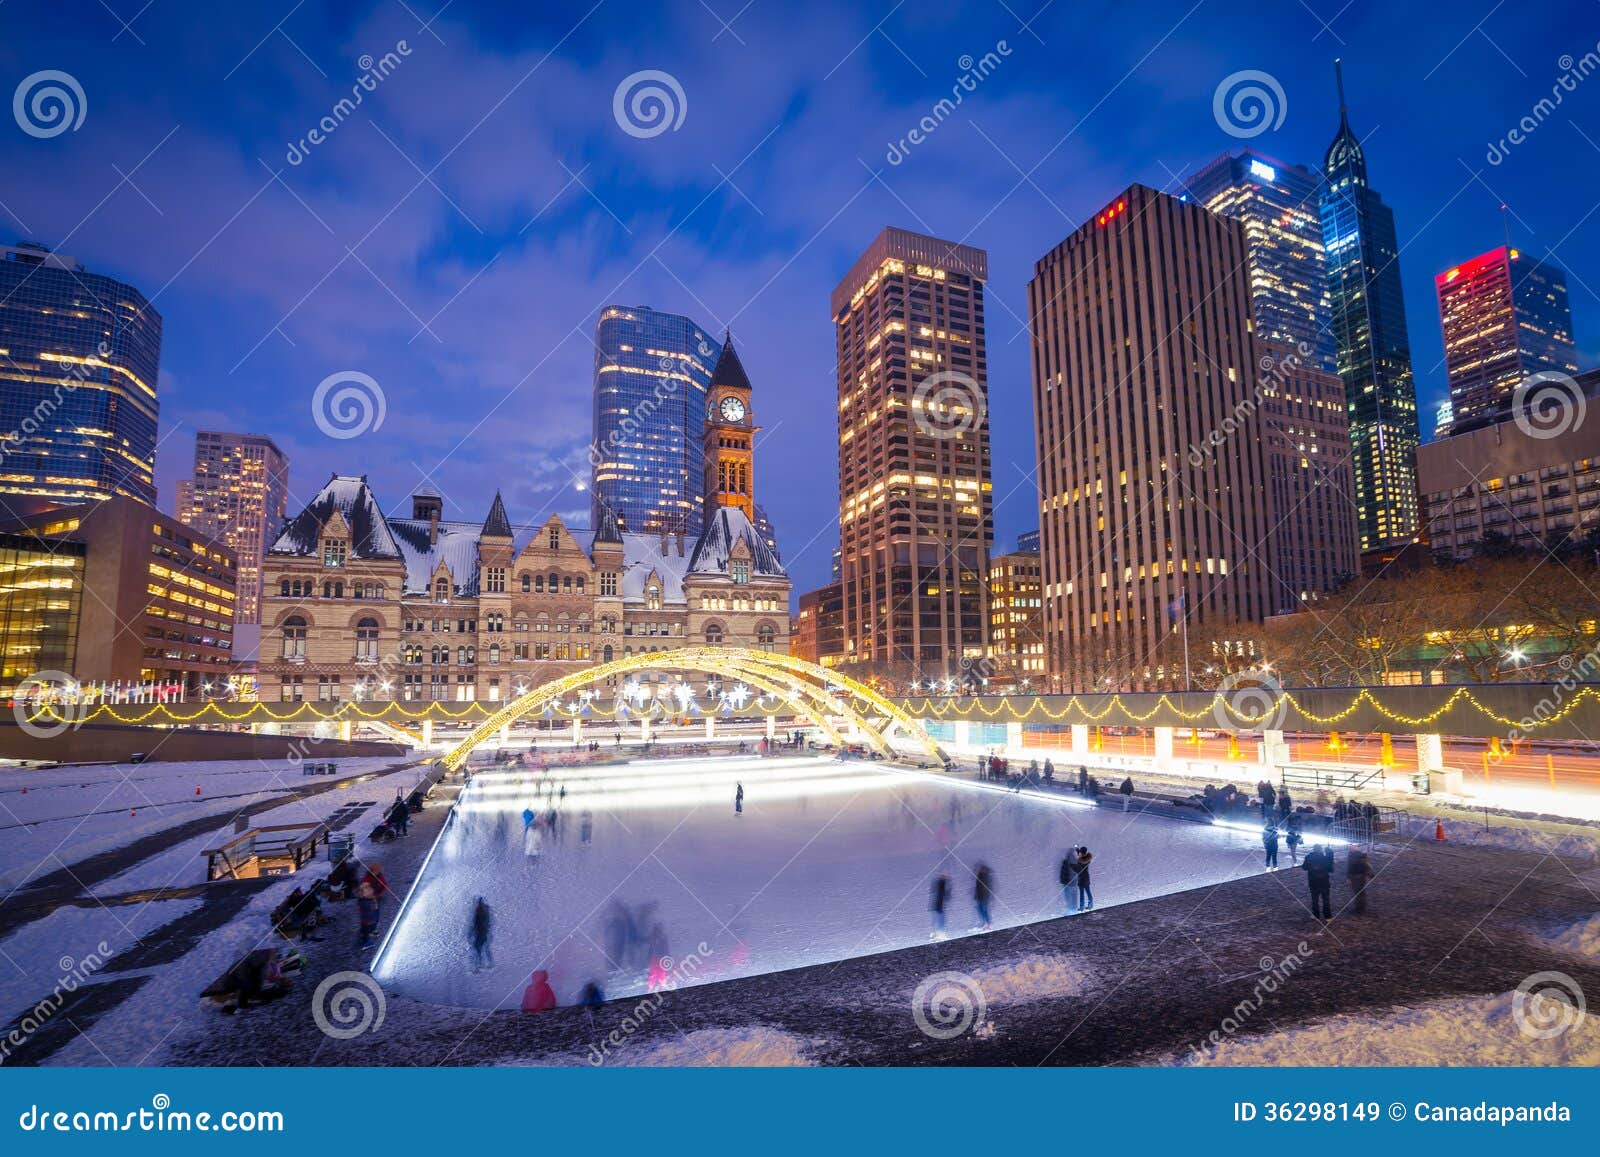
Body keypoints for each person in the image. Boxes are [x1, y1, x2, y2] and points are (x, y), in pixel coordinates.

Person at [1301, 845, 1333, 920]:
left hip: (1313, 882)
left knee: (1315, 900)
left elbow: (1304, 867)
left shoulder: (1308, 857)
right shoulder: (1325, 858)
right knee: (1326, 899)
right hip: (1324, 882)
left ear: (1313, 850)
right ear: (1321, 850)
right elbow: (1330, 869)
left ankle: (1315, 915)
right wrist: (1329, 854)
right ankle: (1328, 916)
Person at [470, 896, 494, 971]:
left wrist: (473, 931)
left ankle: (480, 964)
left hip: (481, 933)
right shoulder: (484, 911)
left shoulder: (480, 912)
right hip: (482, 933)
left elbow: (476, 923)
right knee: (483, 948)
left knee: (479, 948)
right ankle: (485, 963)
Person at [1346, 847, 1373, 914]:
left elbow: (1350, 867)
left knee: (1357, 893)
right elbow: (1367, 866)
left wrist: (1348, 877)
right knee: (1361, 892)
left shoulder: (1351, 856)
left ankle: (1359, 909)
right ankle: (1362, 908)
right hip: (1362, 877)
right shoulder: (1362, 855)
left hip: (1355, 877)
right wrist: (1370, 875)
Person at [356, 881, 380, 948]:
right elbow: (371, 909)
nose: (371, 891)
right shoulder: (365, 902)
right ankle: (366, 943)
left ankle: (372, 932)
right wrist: (374, 903)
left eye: (370, 889)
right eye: (368, 890)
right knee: (366, 930)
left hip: (368, 919)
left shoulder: (365, 900)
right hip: (368, 920)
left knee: (370, 926)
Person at [973, 863, 994, 930]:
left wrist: (984, 898)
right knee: (981, 910)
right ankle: (985, 923)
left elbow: (986, 889)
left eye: (981, 869)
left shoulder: (985, 877)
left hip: (983, 898)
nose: (980, 870)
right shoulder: (980, 876)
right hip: (981, 897)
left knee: (984, 911)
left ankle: (989, 924)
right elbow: (978, 887)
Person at [929, 871, 950, 938]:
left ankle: (941, 933)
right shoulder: (941, 884)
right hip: (939, 905)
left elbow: (943, 895)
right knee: (939, 919)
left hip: (940, 905)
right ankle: (940, 932)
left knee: (940, 919)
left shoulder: (943, 884)